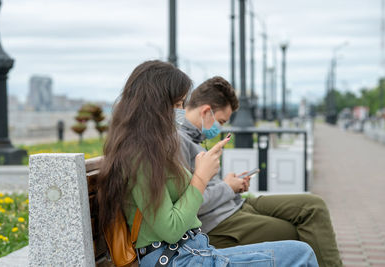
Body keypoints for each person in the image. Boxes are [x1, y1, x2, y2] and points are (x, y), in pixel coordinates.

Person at [97, 60, 318, 267]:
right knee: (302, 254)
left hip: (192, 251)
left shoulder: (151, 149)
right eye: (177, 104)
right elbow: (171, 228)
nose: (181, 112)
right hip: (176, 258)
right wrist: (201, 178)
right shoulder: (140, 155)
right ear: (155, 105)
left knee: (299, 247)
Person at [177, 76, 342, 267]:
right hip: (219, 223)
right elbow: (188, 206)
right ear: (206, 111)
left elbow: (204, 186)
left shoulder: (195, 138)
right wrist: (227, 187)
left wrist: (229, 184)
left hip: (235, 205)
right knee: (297, 233)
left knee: (314, 206)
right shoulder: (180, 141)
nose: (220, 128)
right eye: (221, 122)